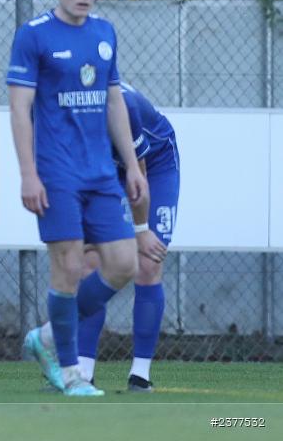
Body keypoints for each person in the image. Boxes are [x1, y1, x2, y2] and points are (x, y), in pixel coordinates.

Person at [7, 0, 147, 396]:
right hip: (56, 173)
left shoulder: (105, 32)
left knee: (124, 263)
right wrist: (29, 174)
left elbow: (113, 101)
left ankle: (48, 335)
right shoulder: (33, 35)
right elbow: (19, 109)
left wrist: (131, 165)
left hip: (101, 173)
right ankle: (70, 375)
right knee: (67, 269)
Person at [77, 81, 180, 392]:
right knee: (90, 262)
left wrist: (141, 231)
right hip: (108, 168)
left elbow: (138, 177)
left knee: (148, 262)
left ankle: (140, 375)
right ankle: (82, 373)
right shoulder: (63, 103)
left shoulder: (122, 105)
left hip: (153, 166)